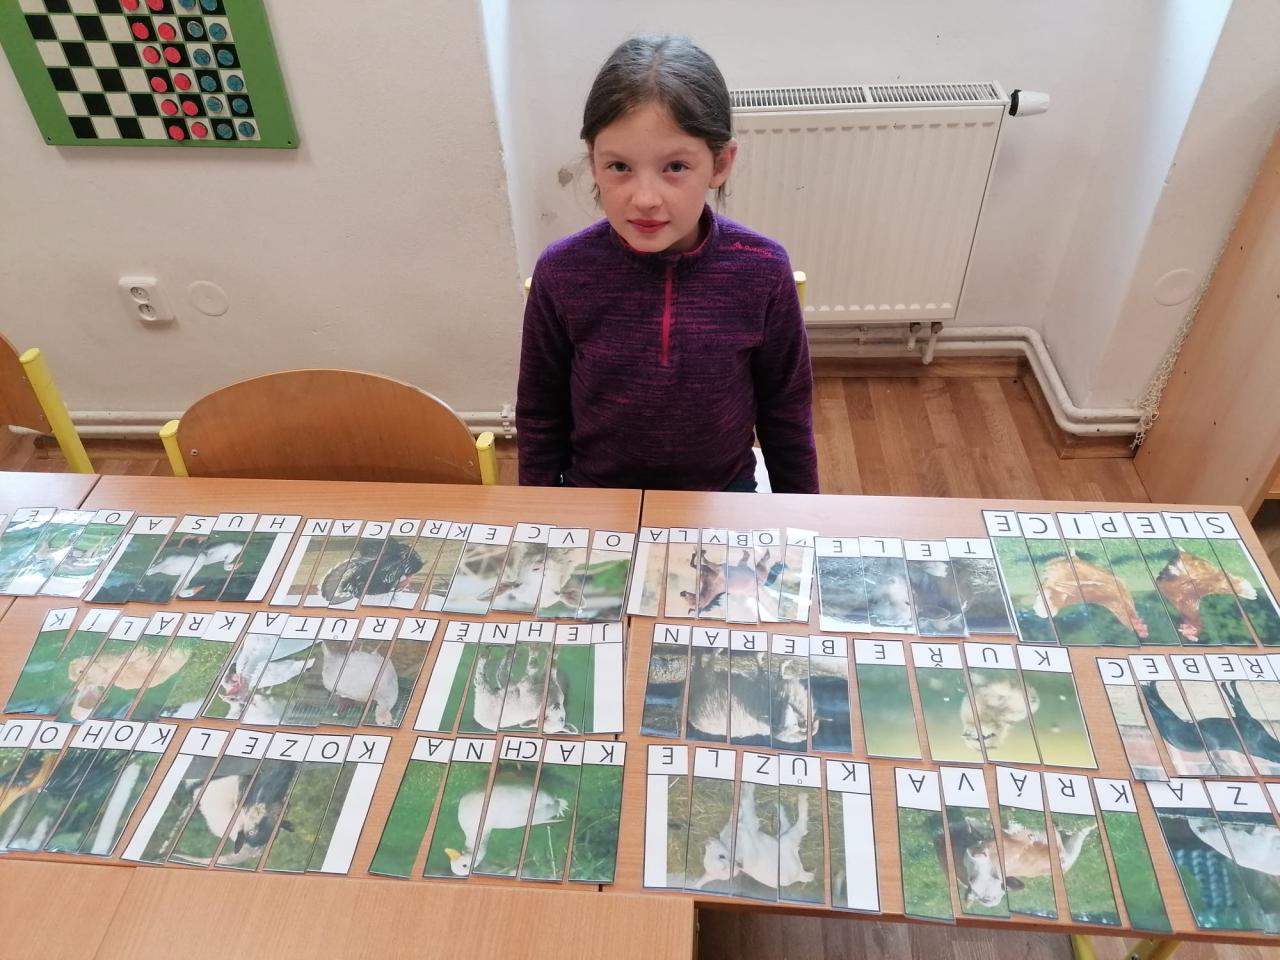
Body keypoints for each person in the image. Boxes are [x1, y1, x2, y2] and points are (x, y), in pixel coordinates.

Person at [516, 34, 818, 493]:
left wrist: (804, 519)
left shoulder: (763, 271)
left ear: (720, 163)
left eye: (675, 167)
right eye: (619, 166)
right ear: (593, 162)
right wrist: (542, 517)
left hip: (721, 499)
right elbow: (540, 414)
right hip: (595, 498)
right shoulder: (561, 273)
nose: (645, 199)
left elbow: (786, 416)